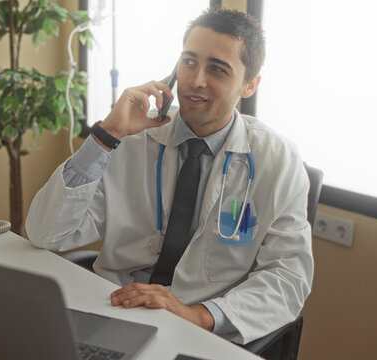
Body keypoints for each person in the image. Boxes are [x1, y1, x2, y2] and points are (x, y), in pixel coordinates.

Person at [26, 7, 313, 345]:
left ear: (250, 84)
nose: (196, 80)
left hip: (202, 327)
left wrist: (199, 315)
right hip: (113, 307)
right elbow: (46, 234)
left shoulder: (278, 161)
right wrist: (106, 136)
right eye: (189, 61)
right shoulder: (132, 138)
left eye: (217, 69)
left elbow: (288, 278)